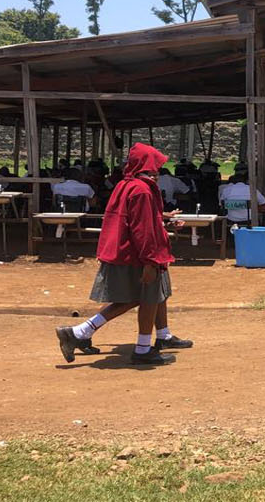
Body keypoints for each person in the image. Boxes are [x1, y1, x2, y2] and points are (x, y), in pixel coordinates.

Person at [55, 143, 191, 366]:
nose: (157, 172)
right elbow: (142, 228)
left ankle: (82, 333)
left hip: (121, 250)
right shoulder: (142, 190)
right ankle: (139, 348)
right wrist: (150, 260)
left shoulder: (126, 184)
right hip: (135, 253)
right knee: (144, 298)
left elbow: (136, 218)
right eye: (155, 167)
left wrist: (162, 219)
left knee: (148, 296)